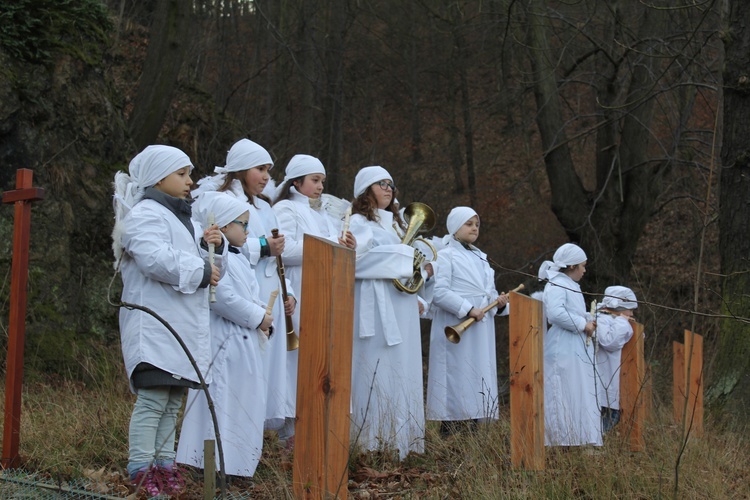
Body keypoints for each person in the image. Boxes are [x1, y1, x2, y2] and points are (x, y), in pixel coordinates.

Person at [112, 145, 225, 496]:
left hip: (177, 325)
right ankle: (141, 469)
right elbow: (154, 259)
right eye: (183, 174)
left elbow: (201, 264)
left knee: (173, 399)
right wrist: (201, 268)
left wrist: (212, 250)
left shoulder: (183, 218)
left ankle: (164, 464)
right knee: (153, 400)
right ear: (159, 177)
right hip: (155, 323)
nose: (190, 181)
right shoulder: (145, 214)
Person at [192, 138, 296, 438]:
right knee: (243, 369)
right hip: (239, 292)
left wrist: (288, 290)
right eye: (259, 169)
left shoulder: (265, 206)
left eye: (268, 170)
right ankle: (232, 435)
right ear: (238, 169)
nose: (266, 177)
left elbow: (278, 259)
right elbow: (217, 246)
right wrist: (263, 246)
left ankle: (253, 436)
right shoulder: (216, 199)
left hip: (268, 290)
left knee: (265, 367)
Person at [176, 191, 273, 478]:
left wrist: (263, 316)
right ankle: (210, 464)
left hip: (243, 341)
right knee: (221, 399)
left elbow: (248, 294)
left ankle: (236, 463)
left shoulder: (241, 259)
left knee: (242, 401)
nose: (248, 230)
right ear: (223, 226)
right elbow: (221, 298)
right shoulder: (213, 256)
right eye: (243, 224)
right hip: (225, 340)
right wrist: (258, 317)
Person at [271, 154, 356, 445]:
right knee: (296, 360)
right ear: (296, 182)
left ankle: (314, 423)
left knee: (319, 358)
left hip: (324, 292)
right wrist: (328, 244)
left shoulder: (320, 214)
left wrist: (347, 246)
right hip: (299, 289)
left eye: (322, 181)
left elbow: (333, 249)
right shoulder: (285, 207)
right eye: (315, 181)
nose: (320, 187)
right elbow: (285, 248)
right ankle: (290, 429)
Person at [348, 166, 430, 460]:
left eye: (391, 184)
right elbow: (357, 261)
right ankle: (371, 442)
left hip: (401, 306)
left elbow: (406, 263)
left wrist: (421, 272)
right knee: (377, 368)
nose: (388, 188)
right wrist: (406, 259)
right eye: (381, 184)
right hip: (375, 307)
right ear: (365, 190)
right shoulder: (356, 221)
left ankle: (402, 441)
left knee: (403, 369)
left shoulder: (396, 225)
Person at [426, 207, 509, 436]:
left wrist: (499, 303)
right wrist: (468, 309)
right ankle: (450, 432)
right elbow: (439, 293)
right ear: (455, 227)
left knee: (477, 376)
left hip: (480, 329)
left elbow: (488, 292)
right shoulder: (445, 255)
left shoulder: (481, 257)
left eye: (477, 224)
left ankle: (472, 430)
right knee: (457, 377)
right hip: (457, 325)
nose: (474, 228)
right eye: (468, 223)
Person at [539, 243, 601, 447]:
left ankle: (577, 438)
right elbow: (555, 313)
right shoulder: (556, 283)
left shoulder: (571, 285)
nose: (585, 270)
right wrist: (583, 324)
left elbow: (571, 310)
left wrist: (587, 319)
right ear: (572, 266)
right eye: (582, 266)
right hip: (562, 346)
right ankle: (560, 440)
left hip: (574, 346)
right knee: (562, 391)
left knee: (577, 391)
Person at [595, 285, 638, 434]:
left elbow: (635, 340)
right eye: (629, 309)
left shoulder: (615, 321)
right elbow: (609, 341)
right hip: (603, 384)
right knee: (605, 420)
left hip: (612, 383)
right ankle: (591, 448)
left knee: (612, 417)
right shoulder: (602, 320)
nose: (631, 313)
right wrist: (623, 322)